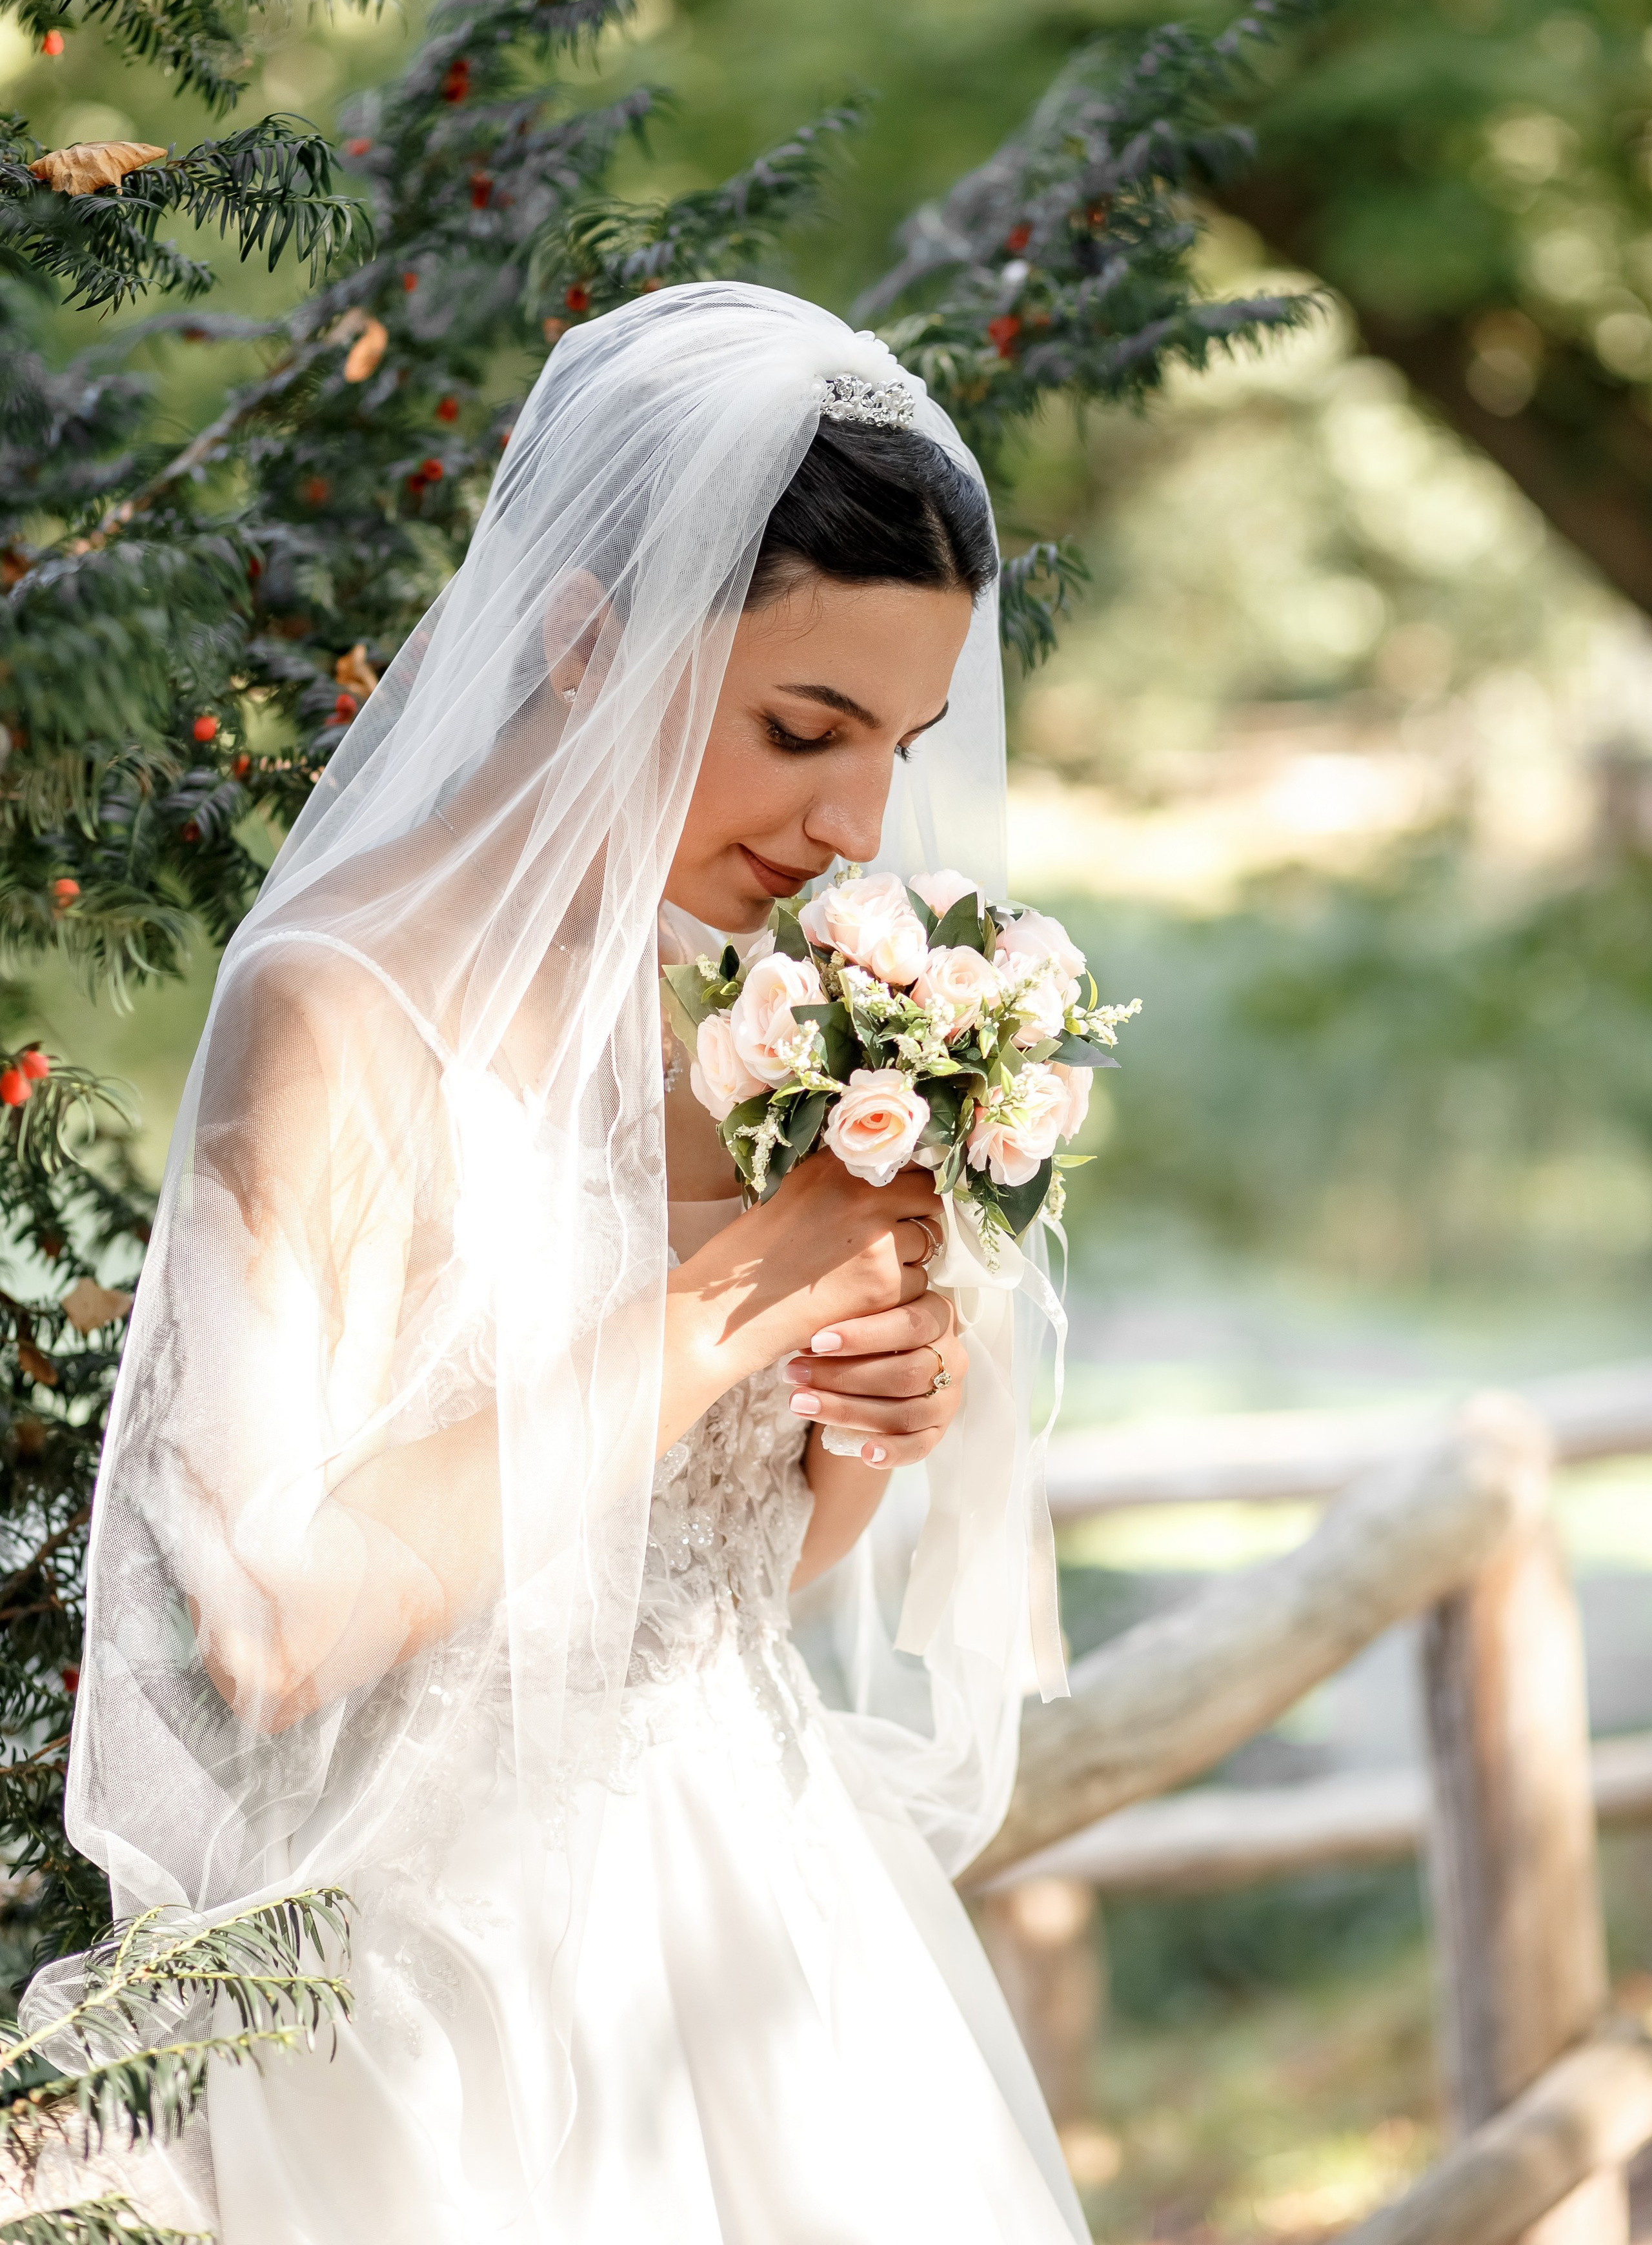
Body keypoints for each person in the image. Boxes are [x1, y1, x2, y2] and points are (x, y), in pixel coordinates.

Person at [49, 283, 1089, 2242]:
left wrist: (869, 1405)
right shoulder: (339, 1010)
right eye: (804, 727)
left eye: (902, 742)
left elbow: (729, 1576)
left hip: (768, 1941)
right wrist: (734, 1297)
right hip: (440, 1982)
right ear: (587, 640)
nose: (857, 822)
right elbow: (265, 1630)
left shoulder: (765, 1011)